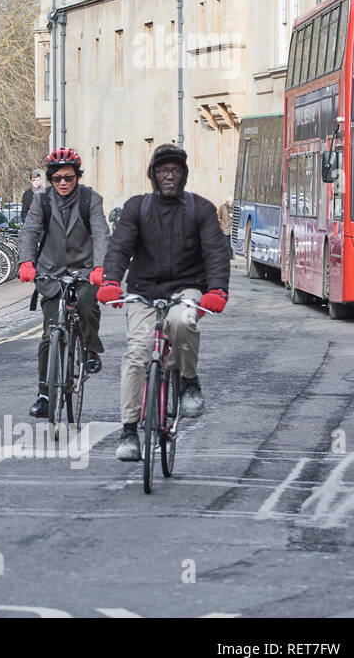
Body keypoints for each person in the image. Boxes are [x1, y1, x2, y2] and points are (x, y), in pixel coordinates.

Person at [97, 144, 231, 461]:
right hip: (143, 291)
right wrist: (111, 281)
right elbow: (119, 247)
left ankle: (189, 382)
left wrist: (218, 291)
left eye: (175, 170)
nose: (168, 176)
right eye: (162, 171)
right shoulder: (136, 208)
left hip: (187, 288)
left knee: (181, 322)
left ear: (183, 175)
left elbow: (215, 253)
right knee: (136, 353)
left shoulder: (202, 209)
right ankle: (129, 432)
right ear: (153, 175)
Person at [16, 147, 111, 419]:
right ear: (50, 179)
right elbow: (29, 231)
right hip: (51, 273)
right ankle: (45, 394)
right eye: (57, 178)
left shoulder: (90, 199)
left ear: (77, 177)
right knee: (49, 333)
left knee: (86, 302)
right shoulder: (42, 201)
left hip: (84, 270)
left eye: (68, 177)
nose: (63, 183)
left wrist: (101, 267)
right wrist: (26, 262)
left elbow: (101, 233)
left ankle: (91, 349)